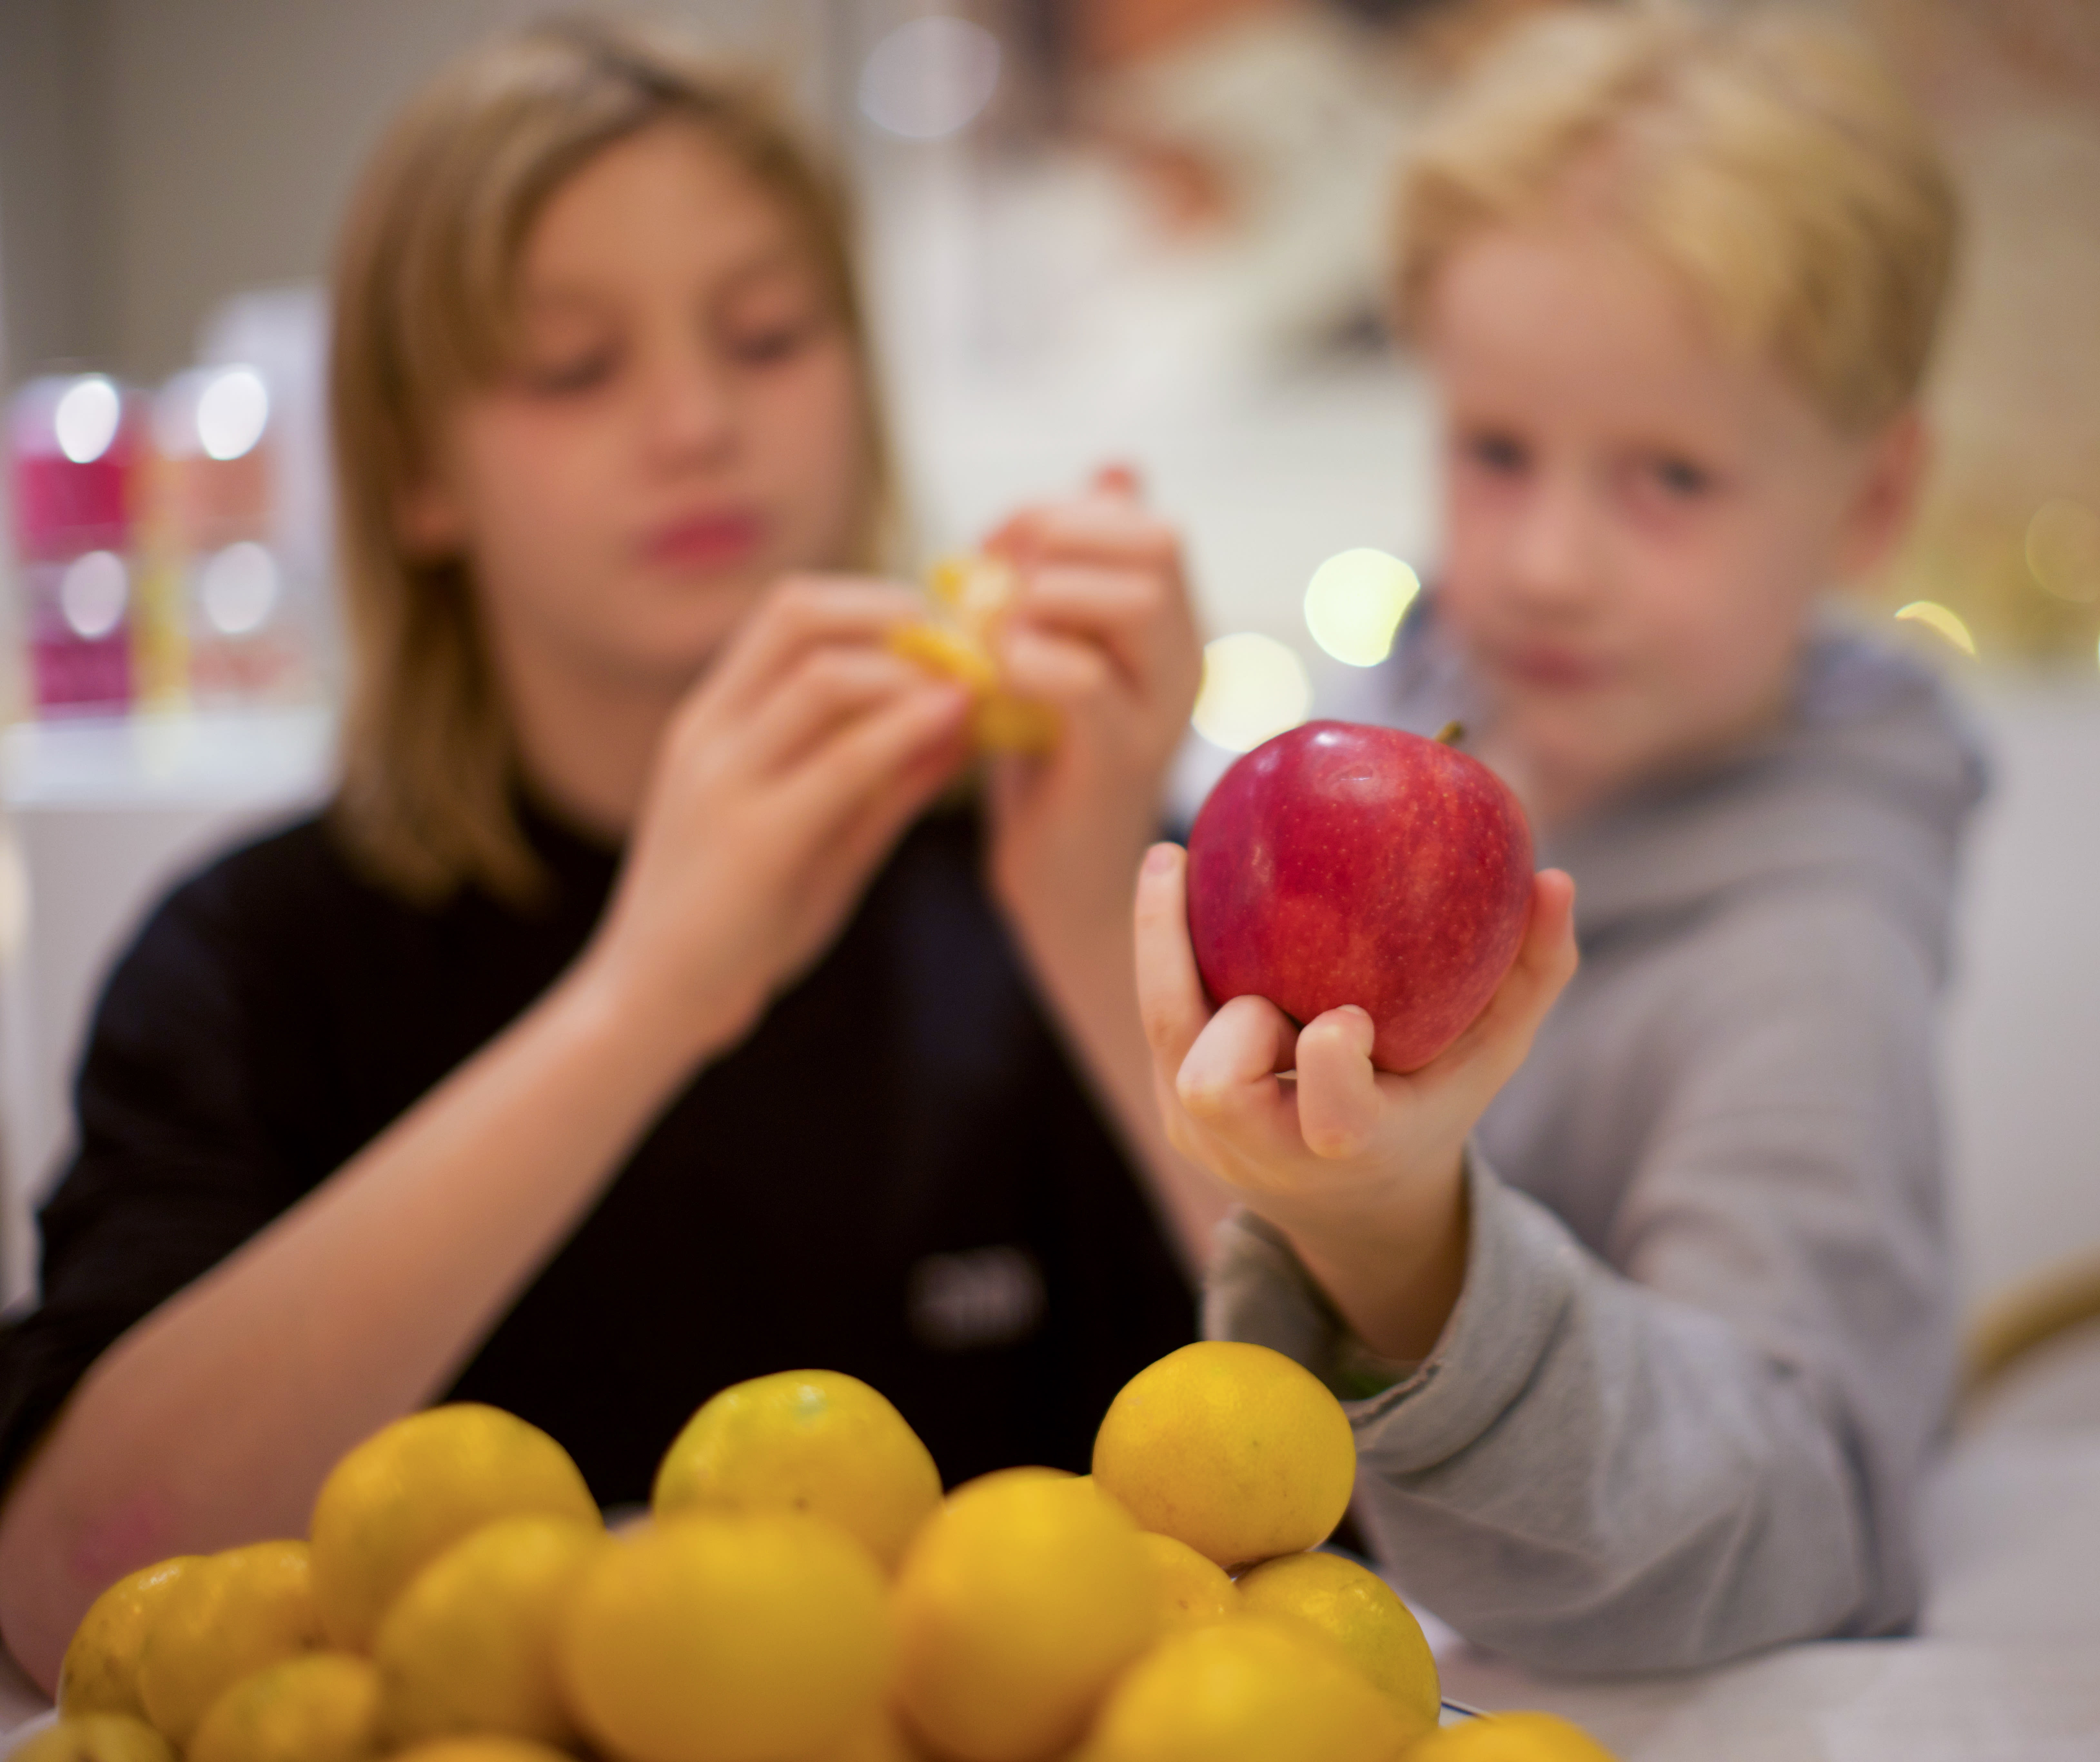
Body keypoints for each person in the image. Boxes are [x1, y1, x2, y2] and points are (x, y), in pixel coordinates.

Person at [0, 19, 1219, 1685]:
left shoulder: (1080, 866)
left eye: (771, 335)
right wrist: (645, 999)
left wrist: (1094, 922)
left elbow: (1355, 1493)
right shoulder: (254, 957)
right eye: (573, 366)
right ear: (417, 473)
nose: (697, 421)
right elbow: (70, 1588)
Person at [1135, 7, 1981, 1671]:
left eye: (1667, 474)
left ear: (1872, 502)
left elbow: (1805, 1514)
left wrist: (1400, 1238)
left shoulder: (1812, 949)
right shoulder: (1412, 722)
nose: (1543, 566)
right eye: (1496, 450)